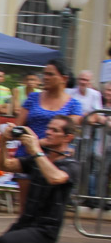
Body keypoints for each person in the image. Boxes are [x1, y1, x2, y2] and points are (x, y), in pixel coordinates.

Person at [0, 116, 78, 243]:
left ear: (68, 137)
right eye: (48, 128)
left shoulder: (71, 164)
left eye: (55, 130)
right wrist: (3, 141)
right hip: (24, 224)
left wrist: (36, 150)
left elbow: (55, 178)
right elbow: (4, 165)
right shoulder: (38, 159)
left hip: (45, 230)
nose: (48, 132)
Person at [12, 59, 82, 214]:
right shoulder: (33, 98)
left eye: (50, 74)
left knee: (47, 208)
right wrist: (28, 141)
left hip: (53, 160)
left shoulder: (74, 104)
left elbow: (70, 131)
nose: (45, 77)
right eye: (44, 74)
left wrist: (36, 143)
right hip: (27, 156)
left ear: (64, 78)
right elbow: (18, 127)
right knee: (25, 209)